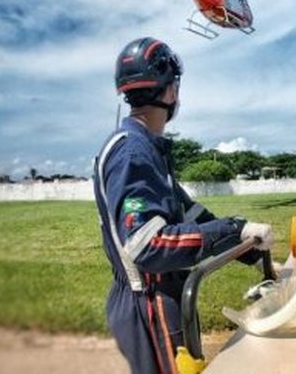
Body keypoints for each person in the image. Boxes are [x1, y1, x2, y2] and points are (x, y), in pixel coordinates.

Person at [93, 37, 274, 374]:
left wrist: (247, 247)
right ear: (171, 92)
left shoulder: (145, 146)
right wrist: (232, 228)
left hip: (153, 296)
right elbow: (148, 245)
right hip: (149, 303)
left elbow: (188, 212)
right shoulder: (133, 151)